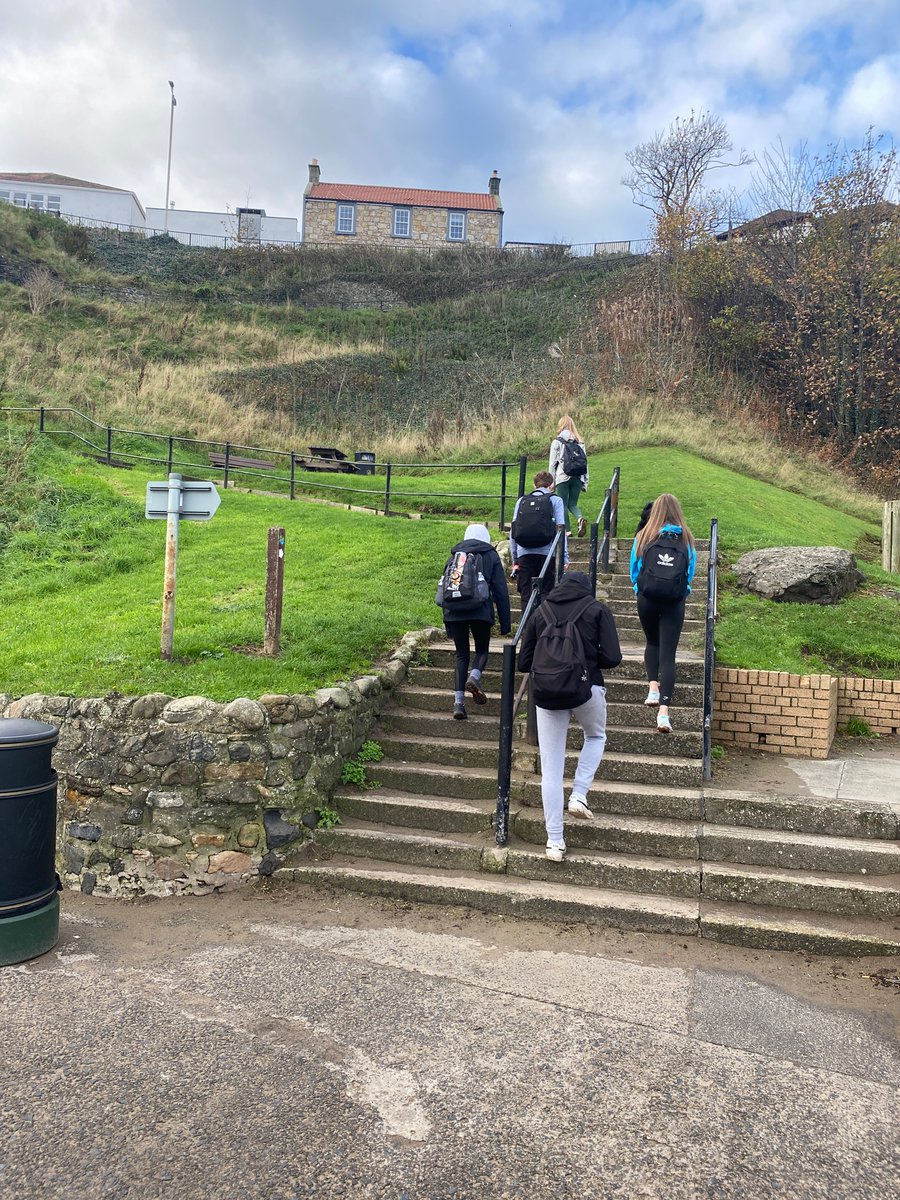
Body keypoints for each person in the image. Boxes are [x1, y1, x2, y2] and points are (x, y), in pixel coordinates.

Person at [517, 571, 622, 862]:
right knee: (596, 735)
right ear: (586, 588)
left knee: (551, 769)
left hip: (547, 694)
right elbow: (613, 657)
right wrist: (585, 662)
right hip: (587, 690)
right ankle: (578, 795)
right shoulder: (597, 609)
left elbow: (524, 661)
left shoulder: (541, 611)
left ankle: (554, 843)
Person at [629, 493, 696, 734]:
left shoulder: (644, 535)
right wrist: (682, 591)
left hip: (646, 598)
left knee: (652, 643)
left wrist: (640, 589)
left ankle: (652, 689)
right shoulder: (686, 538)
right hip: (674, 602)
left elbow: (634, 568)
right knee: (669, 655)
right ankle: (664, 714)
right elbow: (690, 572)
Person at [439, 523, 511, 721]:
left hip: (455, 612)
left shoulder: (454, 557)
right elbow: (500, 591)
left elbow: (445, 590)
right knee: (481, 651)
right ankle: (475, 677)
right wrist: (506, 623)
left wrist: (448, 625)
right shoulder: (490, 555)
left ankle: (458, 703)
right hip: (480, 610)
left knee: (461, 656)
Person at [508, 471, 567, 608]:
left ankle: (527, 627)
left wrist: (515, 559)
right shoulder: (555, 500)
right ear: (551, 485)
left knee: (526, 594)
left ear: (534, 485)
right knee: (547, 593)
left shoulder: (521, 501)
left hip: (524, 553)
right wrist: (564, 558)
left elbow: (513, 532)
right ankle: (543, 627)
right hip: (548, 553)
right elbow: (561, 530)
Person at [548, 415, 589, 538]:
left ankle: (567, 531)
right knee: (573, 504)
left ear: (561, 426)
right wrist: (585, 481)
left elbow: (552, 464)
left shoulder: (557, 442)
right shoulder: (580, 442)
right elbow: (585, 463)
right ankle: (579, 518)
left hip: (562, 477)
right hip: (577, 476)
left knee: (563, 504)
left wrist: (551, 483)